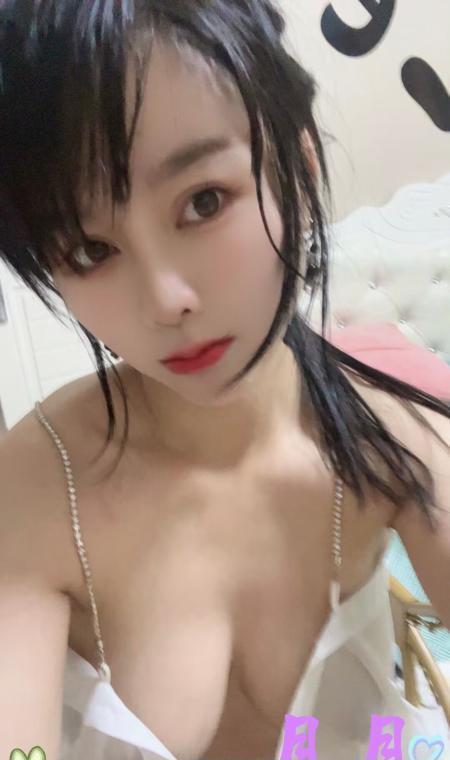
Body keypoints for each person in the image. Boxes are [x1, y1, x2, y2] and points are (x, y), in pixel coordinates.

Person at [0, 2, 449, 759]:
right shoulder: (37, 494)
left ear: (298, 166)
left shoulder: (392, 439)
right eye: (89, 250)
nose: (165, 299)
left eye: (203, 201)